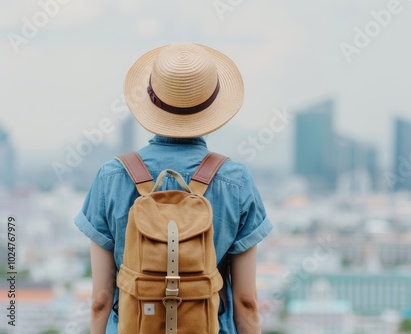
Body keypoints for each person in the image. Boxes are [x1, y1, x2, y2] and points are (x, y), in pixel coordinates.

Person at [74, 42, 273, 334]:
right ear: (212, 106)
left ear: (152, 101)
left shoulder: (111, 177)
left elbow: (100, 300)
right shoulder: (237, 180)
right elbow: (246, 302)